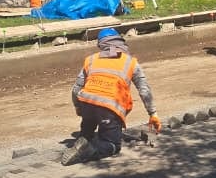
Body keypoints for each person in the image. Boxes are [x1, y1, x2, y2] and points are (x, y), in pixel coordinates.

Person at [62, 29, 162, 166]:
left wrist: (78, 107)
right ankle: (90, 150)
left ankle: (84, 138)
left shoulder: (91, 60)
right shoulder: (130, 62)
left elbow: (76, 89)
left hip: (87, 104)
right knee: (112, 144)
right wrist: (153, 114)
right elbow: (144, 90)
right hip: (109, 107)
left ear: (101, 44)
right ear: (120, 41)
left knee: (88, 128)